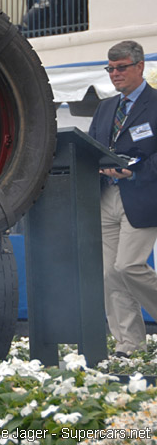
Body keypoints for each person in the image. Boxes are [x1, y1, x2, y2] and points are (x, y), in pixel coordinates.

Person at [87, 40, 157, 357]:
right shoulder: (104, 108)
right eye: (110, 68)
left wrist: (136, 171)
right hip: (105, 197)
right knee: (110, 274)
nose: (115, 73)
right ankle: (129, 344)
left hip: (142, 196)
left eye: (121, 67)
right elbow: (89, 146)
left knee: (129, 265)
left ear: (140, 66)